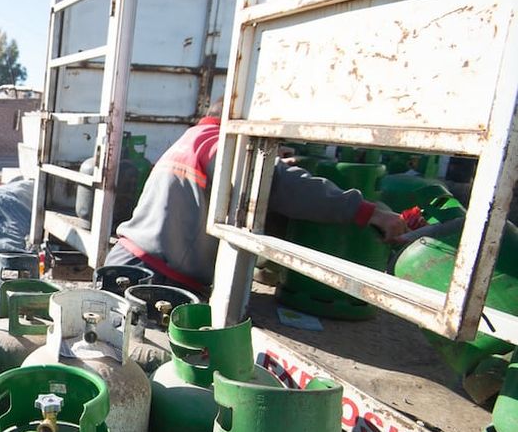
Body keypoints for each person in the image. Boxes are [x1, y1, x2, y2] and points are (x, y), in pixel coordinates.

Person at [105, 99, 409, 294]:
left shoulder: (193, 139)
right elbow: (286, 187)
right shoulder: (222, 147)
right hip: (154, 279)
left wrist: (265, 164)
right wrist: (369, 212)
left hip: (130, 263)